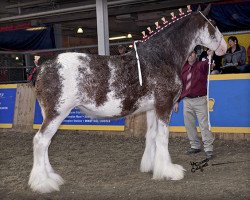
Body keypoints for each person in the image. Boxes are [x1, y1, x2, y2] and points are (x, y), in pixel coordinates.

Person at [173, 49, 214, 159]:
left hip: (200, 100)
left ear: (196, 55)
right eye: (188, 54)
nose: (190, 56)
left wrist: (210, 55)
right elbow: (180, 86)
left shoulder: (201, 65)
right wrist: (177, 101)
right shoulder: (183, 69)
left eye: (192, 53)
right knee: (189, 124)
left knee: (204, 125)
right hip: (187, 100)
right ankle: (195, 145)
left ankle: (208, 148)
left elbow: (209, 65)